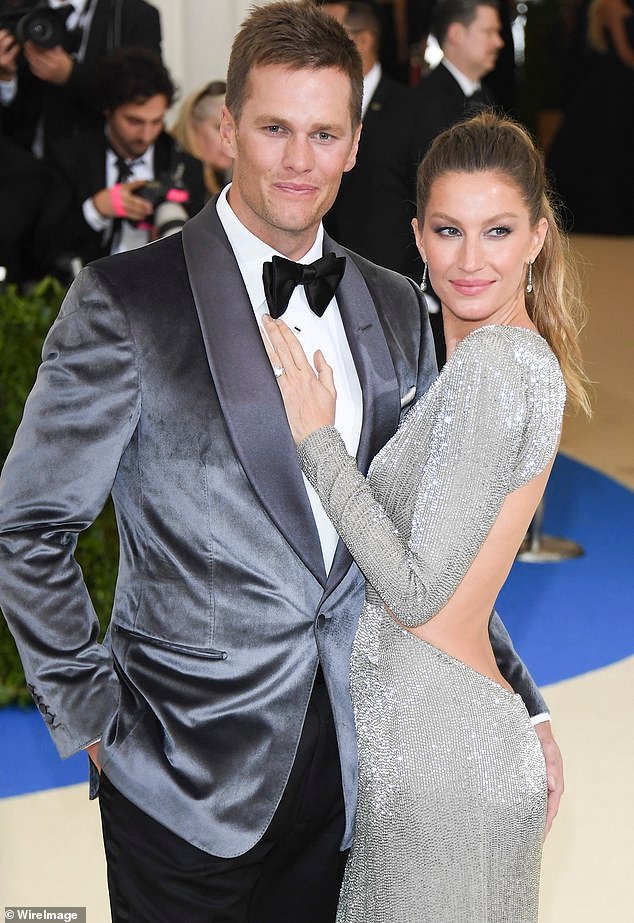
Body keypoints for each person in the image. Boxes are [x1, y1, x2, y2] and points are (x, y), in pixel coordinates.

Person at [0, 5, 563, 921]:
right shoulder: (125, 303)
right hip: (182, 783)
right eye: (274, 129)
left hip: (359, 775)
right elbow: (28, 524)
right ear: (227, 131)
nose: (299, 160)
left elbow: (433, 543)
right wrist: (96, 720)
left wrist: (524, 702)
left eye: (324, 133)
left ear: (352, 144)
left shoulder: (392, 304)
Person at [262, 111, 589, 922]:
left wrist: (317, 441)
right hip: (438, 741)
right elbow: (463, 577)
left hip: (440, 757)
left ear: (537, 238)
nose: (470, 259)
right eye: (449, 230)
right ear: (416, 234)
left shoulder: (496, 366)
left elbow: (414, 589)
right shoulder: (510, 359)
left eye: (498, 230)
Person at [37, 47, 205, 271]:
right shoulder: (70, 158)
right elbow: (41, 248)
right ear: (108, 110)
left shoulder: (184, 166)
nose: (146, 135)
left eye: (156, 122)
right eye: (134, 121)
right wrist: (95, 210)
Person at [322, 1, 423, 279]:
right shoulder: (316, 106)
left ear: (363, 40)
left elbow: (423, 197)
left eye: (328, 36)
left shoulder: (412, 109)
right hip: (324, 276)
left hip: (392, 279)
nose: (317, 47)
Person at [0, 0, 161, 157]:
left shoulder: (134, 14)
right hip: (30, 164)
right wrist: (6, 79)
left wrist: (72, 74)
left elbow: (144, 91)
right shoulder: (16, 8)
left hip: (99, 164)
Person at [413, 0, 504, 158]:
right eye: (488, 32)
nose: (499, 42)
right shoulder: (425, 103)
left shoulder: (486, 95)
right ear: (456, 34)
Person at [170, 79, 232, 198]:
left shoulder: (224, 181)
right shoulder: (175, 178)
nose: (231, 138)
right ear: (193, 127)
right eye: (219, 127)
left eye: (236, 129)